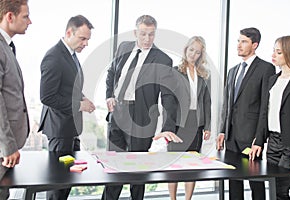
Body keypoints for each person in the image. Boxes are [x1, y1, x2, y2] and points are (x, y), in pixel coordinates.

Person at [103, 14, 180, 200]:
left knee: (137, 173)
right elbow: (112, 72)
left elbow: (168, 95)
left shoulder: (163, 59)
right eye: (143, 34)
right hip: (117, 114)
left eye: (151, 35)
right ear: (135, 32)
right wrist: (109, 96)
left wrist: (168, 127)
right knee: (113, 168)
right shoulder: (124, 47)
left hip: (141, 119)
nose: (147, 39)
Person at [38, 15, 95, 200]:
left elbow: (69, 87)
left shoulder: (71, 56)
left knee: (67, 181)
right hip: (59, 129)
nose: (85, 44)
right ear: (69, 32)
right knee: (58, 184)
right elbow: (47, 97)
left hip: (69, 129)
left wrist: (84, 98)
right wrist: (79, 105)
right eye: (82, 38)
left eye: (87, 39)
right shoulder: (54, 57)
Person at [216, 27, 275, 200]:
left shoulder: (266, 69)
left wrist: (259, 138)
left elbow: (265, 107)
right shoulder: (232, 71)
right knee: (233, 180)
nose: (239, 45)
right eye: (238, 41)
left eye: (244, 41)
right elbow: (227, 105)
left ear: (254, 45)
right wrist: (222, 130)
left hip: (250, 137)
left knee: (255, 181)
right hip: (231, 136)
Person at [250, 35, 290, 200]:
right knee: (273, 189)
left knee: (280, 191)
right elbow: (264, 114)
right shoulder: (273, 80)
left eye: (278, 52)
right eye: (274, 50)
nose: (273, 55)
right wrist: (258, 141)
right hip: (272, 143)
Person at [167, 36, 211, 200]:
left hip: (196, 122)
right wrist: (168, 127)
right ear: (186, 49)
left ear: (201, 55)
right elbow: (169, 101)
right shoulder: (175, 71)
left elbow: (207, 102)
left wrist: (207, 125)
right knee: (174, 164)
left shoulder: (205, 75)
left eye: (197, 52)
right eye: (191, 50)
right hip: (178, 123)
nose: (193, 54)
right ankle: (173, 198)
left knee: (192, 164)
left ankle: (188, 199)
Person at [0, 0, 31, 199]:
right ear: (9, 17)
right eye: (25, 16)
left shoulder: (7, 46)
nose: (30, 21)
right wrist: (7, 145)